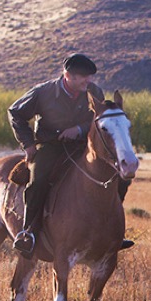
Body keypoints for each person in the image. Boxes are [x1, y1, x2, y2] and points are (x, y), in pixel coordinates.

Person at [8, 53, 133, 256]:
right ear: (68, 75)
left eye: (89, 76)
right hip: (51, 146)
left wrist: (79, 129)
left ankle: (112, 233)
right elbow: (15, 112)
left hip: (84, 146)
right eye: (83, 77)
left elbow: (99, 121)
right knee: (38, 180)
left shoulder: (93, 91)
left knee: (120, 177)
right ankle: (28, 232)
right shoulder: (43, 92)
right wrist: (29, 145)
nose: (88, 80)